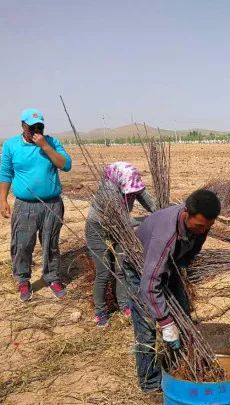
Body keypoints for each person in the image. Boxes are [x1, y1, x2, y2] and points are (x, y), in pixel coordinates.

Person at [129, 189, 220, 392]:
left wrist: (178, 271)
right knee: (146, 328)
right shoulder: (165, 236)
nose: (203, 230)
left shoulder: (201, 225)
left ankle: (181, 361)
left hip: (168, 264)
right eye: (200, 226)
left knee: (183, 312)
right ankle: (150, 384)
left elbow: (191, 251)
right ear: (186, 212)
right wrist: (164, 320)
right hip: (140, 267)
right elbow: (149, 284)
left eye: (208, 226)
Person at [0, 108, 72, 301]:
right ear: (23, 126)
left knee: (51, 244)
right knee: (22, 244)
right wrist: (3, 200)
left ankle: (52, 277)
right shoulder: (11, 145)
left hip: (52, 204)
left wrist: (45, 147)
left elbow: (66, 165)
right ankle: (23, 280)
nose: (36, 131)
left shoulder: (52, 142)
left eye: (40, 127)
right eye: (32, 128)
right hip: (25, 205)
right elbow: (6, 173)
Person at [85, 162, 157, 327]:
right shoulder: (108, 192)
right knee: (104, 271)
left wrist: (164, 213)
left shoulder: (131, 183)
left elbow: (151, 202)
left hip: (119, 228)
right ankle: (100, 311)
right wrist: (150, 221)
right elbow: (124, 220)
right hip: (98, 228)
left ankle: (124, 305)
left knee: (121, 268)